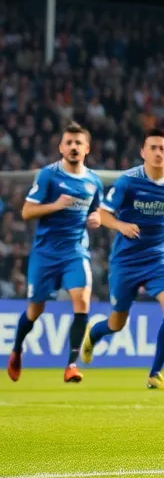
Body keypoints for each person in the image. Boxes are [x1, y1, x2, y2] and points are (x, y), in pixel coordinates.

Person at [83, 128, 164, 390]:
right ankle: (94, 333)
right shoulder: (128, 181)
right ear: (143, 152)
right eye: (152, 148)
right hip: (126, 259)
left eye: (162, 148)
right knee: (117, 323)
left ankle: (154, 374)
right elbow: (103, 213)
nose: (157, 152)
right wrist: (120, 225)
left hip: (158, 254)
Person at [8, 122, 103, 384]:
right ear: (61, 148)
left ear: (86, 148)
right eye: (68, 143)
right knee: (35, 309)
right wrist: (55, 205)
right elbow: (27, 212)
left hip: (75, 252)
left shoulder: (93, 181)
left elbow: (97, 210)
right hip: (46, 254)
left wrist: (96, 217)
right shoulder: (48, 176)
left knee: (82, 301)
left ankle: (71, 365)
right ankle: (17, 349)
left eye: (78, 143)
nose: (73, 147)